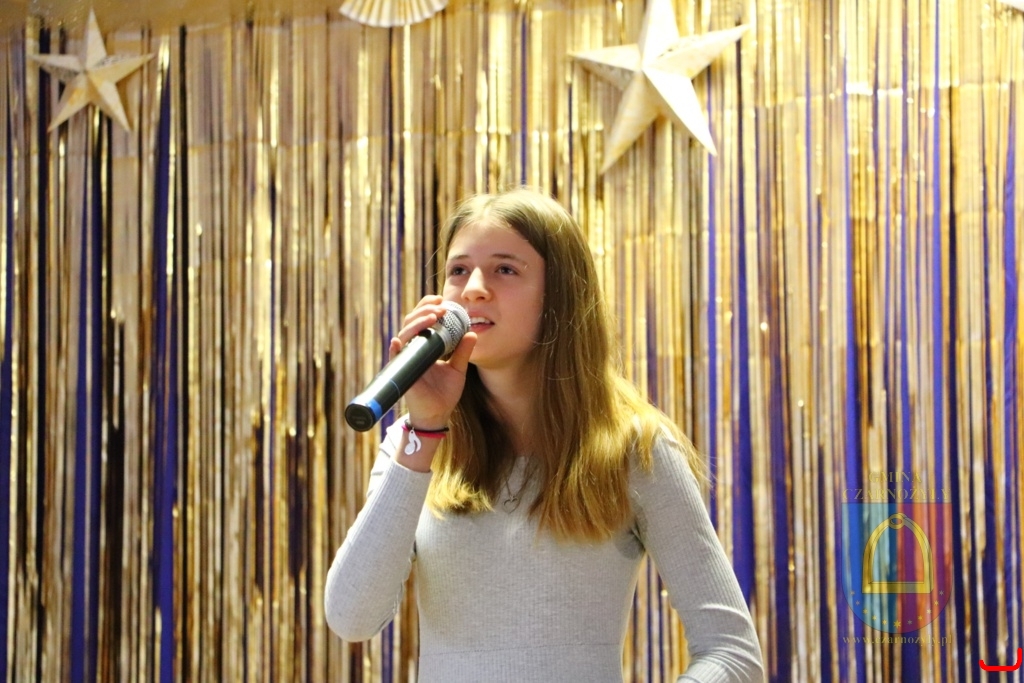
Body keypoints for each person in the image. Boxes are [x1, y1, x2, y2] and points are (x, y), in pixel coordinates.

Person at [324, 188, 764, 682]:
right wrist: (423, 430)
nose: (473, 289)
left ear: (559, 296)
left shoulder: (633, 448)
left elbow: (732, 654)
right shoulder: (413, 448)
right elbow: (352, 618)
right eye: (458, 270)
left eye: (504, 269)